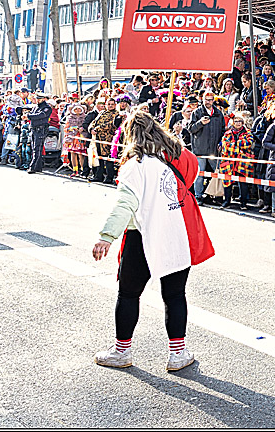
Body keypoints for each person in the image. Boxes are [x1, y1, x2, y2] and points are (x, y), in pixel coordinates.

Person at [92, 107, 214, 371]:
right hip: (175, 231)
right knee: (174, 295)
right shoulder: (174, 157)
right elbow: (190, 172)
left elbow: (125, 204)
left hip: (141, 237)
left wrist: (106, 236)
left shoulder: (133, 165)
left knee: (128, 294)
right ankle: (177, 353)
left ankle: (121, 351)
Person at [188, 90, 226, 202]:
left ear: (213, 100)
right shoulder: (197, 112)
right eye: (206, 99)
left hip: (214, 150)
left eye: (210, 100)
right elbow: (191, 129)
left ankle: (217, 195)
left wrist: (221, 143)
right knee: (199, 175)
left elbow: (223, 130)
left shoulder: (218, 113)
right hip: (200, 149)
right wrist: (200, 123)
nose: (208, 102)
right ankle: (198, 196)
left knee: (217, 173)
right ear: (202, 99)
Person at [217, 112, 254, 210]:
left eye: (240, 121)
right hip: (229, 161)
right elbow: (226, 147)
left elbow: (248, 144)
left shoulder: (248, 132)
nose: (238, 123)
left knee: (243, 182)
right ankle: (227, 201)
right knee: (227, 181)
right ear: (232, 122)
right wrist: (239, 148)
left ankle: (243, 203)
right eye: (236, 121)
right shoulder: (227, 133)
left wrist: (234, 145)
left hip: (243, 162)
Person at [89, 97, 121, 184]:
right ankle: (99, 176)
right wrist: (91, 128)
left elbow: (111, 124)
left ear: (115, 105)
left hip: (108, 138)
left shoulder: (116, 114)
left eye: (112, 104)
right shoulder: (102, 112)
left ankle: (109, 177)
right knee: (99, 157)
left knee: (108, 158)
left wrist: (98, 129)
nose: (110, 106)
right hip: (97, 138)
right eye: (108, 104)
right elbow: (94, 121)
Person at [26, 92, 53, 173]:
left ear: (43, 99)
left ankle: (33, 167)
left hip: (41, 129)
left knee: (37, 148)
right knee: (35, 148)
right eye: (37, 99)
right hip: (34, 129)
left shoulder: (47, 108)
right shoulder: (36, 107)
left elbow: (40, 115)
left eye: (39, 99)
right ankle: (38, 166)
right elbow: (32, 114)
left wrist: (28, 116)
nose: (38, 100)